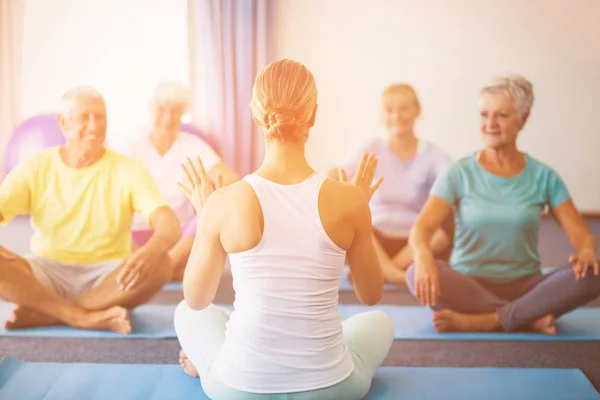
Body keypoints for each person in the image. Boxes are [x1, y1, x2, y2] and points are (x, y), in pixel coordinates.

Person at [173, 59, 394, 400]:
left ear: (254, 113)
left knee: (186, 312)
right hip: (332, 390)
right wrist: (358, 211)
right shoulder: (350, 200)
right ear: (314, 115)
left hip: (237, 389)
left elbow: (196, 298)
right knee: (380, 322)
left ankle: (208, 362)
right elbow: (370, 296)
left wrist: (208, 220)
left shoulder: (223, 202)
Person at [407, 75, 600, 335]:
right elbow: (421, 228)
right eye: (484, 114)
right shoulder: (458, 173)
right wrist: (423, 257)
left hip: (527, 285)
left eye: (502, 116)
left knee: (592, 274)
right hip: (467, 284)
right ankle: (526, 316)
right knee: (413, 273)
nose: (490, 124)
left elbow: (582, 236)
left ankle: (488, 320)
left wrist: (586, 251)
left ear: (523, 119)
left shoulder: (544, 176)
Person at [0, 87, 182, 333]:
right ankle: (80, 316)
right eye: (84, 117)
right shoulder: (35, 167)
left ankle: (51, 313)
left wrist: (150, 251)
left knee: (161, 263)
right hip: (47, 271)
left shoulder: (128, 169)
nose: (95, 125)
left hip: (108, 275)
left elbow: (169, 225)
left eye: (101, 117)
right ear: (63, 122)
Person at [330, 83, 453, 286]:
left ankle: (386, 270)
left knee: (450, 223)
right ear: (383, 114)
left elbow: (453, 181)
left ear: (417, 110)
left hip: (414, 243)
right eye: (390, 110)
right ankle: (399, 276)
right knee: (351, 215)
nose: (397, 116)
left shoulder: (433, 154)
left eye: (404, 108)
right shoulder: (373, 147)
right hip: (374, 240)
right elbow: (339, 172)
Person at [119, 81, 239, 278]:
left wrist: (213, 192)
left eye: (175, 111)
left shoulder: (192, 145)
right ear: (150, 108)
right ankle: (170, 271)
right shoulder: (131, 145)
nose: (167, 118)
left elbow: (230, 178)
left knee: (210, 210)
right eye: (161, 109)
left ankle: (165, 267)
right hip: (137, 234)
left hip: (180, 238)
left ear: (182, 113)